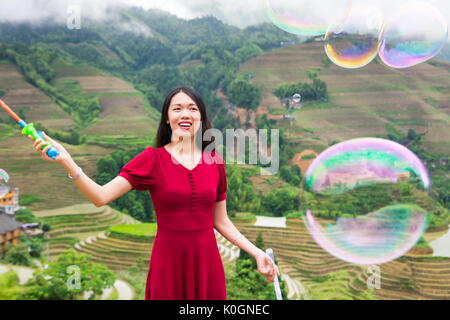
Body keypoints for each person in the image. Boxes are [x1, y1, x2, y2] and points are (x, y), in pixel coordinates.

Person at [29, 86, 280, 300]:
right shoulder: (152, 159)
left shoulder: (215, 162)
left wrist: (256, 252)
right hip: (168, 263)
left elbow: (220, 220)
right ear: (167, 118)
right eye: (177, 108)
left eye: (193, 108)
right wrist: (68, 163)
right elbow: (100, 197)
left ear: (201, 117)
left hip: (207, 264)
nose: (185, 114)